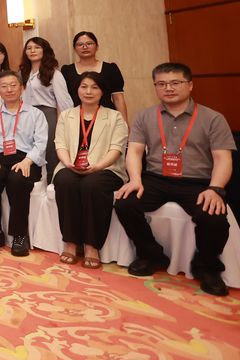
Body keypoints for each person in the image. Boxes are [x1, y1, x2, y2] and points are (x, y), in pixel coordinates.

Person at [114, 62, 235, 297]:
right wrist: (135, 179)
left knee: (214, 218)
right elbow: (135, 151)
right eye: (161, 84)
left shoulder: (213, 118)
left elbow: (223, 159)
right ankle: (151, 254)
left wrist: (215, 188)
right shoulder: (145, 116)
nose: (168, 88)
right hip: (156, 178)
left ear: (190, 85)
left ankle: (207, 267)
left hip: (197, 181)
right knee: (125, 203)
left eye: (175, 83)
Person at [52, 72, 129, 269]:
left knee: (92, 184)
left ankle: (91, 246)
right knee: (65, 181)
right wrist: (68, 163)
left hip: (106, 168)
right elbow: (60, 144)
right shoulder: (66, 115)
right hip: (70, 165)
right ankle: (70, 242)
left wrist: (98, 166)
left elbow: (116, 149)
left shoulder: (115, 117)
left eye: (94, 87)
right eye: (84, 86)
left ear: (102, 91)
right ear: (77, 90)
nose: (88, 91)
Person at [0, 70, 48, 257]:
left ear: (22, 87)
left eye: (13, 85)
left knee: (17, 180)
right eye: (4, 86)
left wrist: (28, 161)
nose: (9, 90)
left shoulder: (36, 114)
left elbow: (41, 143)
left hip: (26, 158)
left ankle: (19, 235)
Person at [19, 37, 73, 183]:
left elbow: (63, 101)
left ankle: (53, 182)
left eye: (37, 47)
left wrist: (62, 123)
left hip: (48, 114)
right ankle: (32, 182)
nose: (32, 51)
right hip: (26, 115)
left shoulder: (54, 73)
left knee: (50, 150)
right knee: (28, 148)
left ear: (45, 50)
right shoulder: (22, 73)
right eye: (29, 48)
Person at [61, 31, 129, 122]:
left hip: (107, 119)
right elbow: (64, 100)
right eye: (80, 44)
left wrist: (124, 123)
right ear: (74, 49)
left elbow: (118, 98)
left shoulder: (110, 68)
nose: (85, 47)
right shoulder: (67, 70)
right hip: (77, 119)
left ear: (97, 47)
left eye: (89, 43)